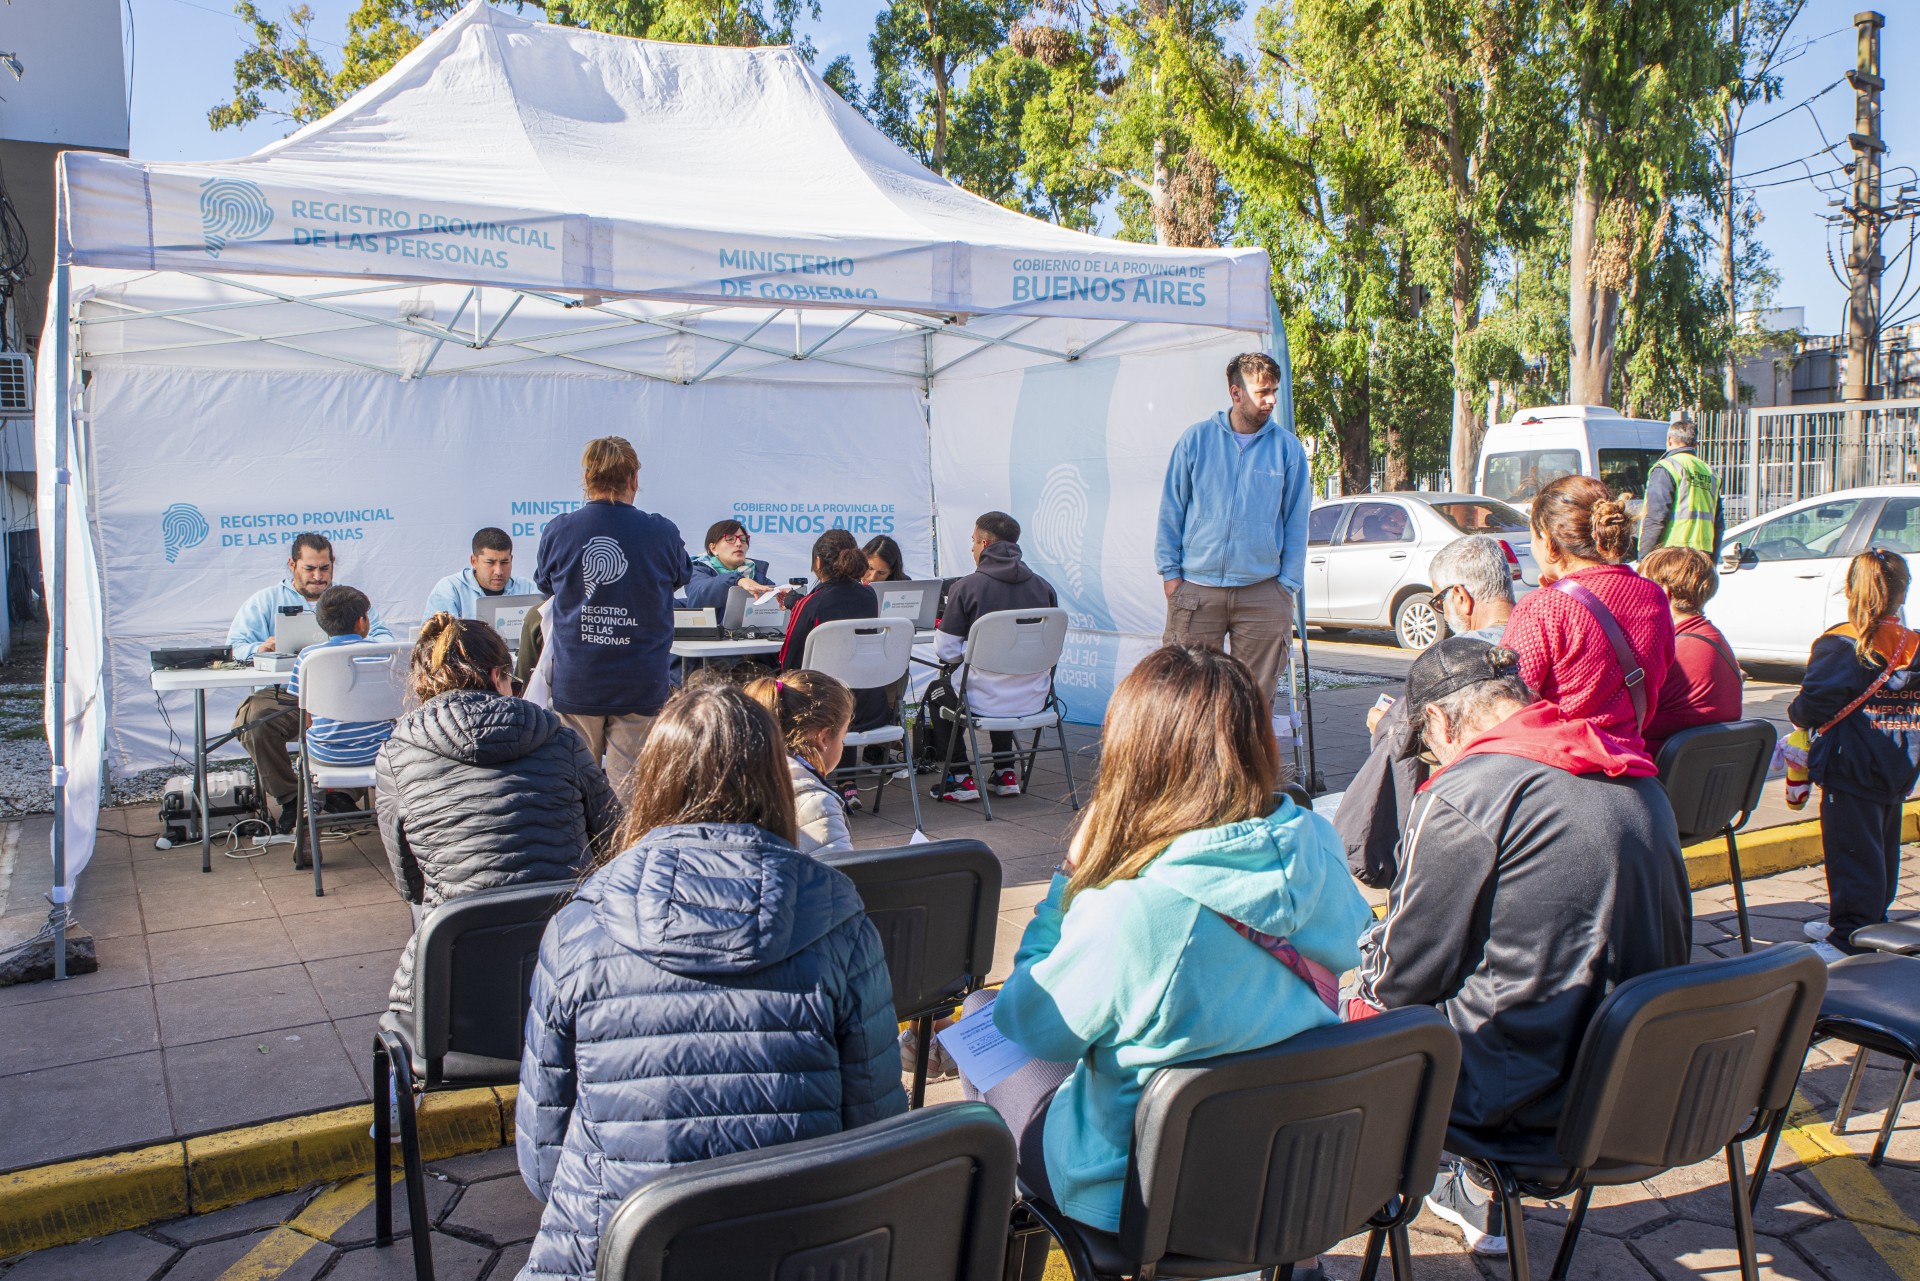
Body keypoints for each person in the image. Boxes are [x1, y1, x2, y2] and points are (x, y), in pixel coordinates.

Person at [966, 645, 1368, 1251]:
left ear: (1135, 753)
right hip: (1289, 1167)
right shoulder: (1314, 838)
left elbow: (1030, 1026)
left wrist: (1063, 889)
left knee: (982, 1023)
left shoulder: (1131, 911)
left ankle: (1005, 1245)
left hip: (1137, 1194)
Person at [516, 682, 906, 1281]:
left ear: (655, 778)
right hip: (801, 1248)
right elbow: (876, 1129)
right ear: (776, 777)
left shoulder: (579, 927)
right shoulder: (840, 919)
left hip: (616, 1250)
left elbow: (543, 1160)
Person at [1354, 637, 1690, 1257]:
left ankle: (1435, 1186)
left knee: (1366, 1013)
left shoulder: (1462, 794)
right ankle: (1480, 1187)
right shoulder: (1629, 767)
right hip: (1645, 1087)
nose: (1432, 760)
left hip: (1524, 1109)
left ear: (1438, 720)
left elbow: (1403, 975)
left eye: (1427, 747)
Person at [374, 614, 619, 1016]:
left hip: (456, 989)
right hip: (571, 974)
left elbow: (409, 883)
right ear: (497, 676)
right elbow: (613, 840)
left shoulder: (396, 756)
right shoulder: (561, 738)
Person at [1335, 535, 1517, 887]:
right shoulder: (1544, 636)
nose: (1441, 611)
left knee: (1396, 734)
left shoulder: (1449, 661)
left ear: (1461, 598)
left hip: (1470, 801)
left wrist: (1383, 728)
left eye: (1439, 600)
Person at [1155, 351, 1311, 715]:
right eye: (1262, 392)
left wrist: (1286, 585)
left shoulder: (1288, 449)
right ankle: (1190, 772)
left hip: (1263, 593)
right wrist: (1171, 575)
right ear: (1236, 393)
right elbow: (1171, 510)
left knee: (1254, 701)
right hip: (1196, 589)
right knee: (1187, 695)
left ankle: (1245, 773)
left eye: (1274, 390)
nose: (1271, 400)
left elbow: (1297, 520)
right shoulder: (1196, 440)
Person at [533, 436, 690, 790]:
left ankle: (583, 846)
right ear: (634, 479)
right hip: (641, 682)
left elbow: (546, 583)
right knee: (632, 795)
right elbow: (682, 576)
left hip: (578, 680)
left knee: (577, 789)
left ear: (587, 479)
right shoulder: (661, 532)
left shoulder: (560, 530)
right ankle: (628, 847)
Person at [1789, 549, 1920, 960]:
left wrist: (1796, 717)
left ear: (1849, 589)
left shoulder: (1841, 643)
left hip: (1851, 764)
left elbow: (1813, 703)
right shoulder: (1913, 643)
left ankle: (1848, 937)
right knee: (1881, 847)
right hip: (1899, 762)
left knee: (1851, 852)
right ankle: (1869, 921)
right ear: (1904, 592)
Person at [228, 534, 395, 834]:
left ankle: (340, 795)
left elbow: (385, 638)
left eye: (324, 568)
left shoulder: (349, 600)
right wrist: (261, 648)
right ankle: (293, 798)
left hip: (345, 694)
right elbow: (236, 646)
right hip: (286, 697)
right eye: (309, 569)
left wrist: (356, 644)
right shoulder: (265, 601)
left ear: (333, 565)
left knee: (367, 720)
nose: (318, 577)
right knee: (252, 721)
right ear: (292, 565)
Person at [1500, 475, 1674, 755]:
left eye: (1533, 536)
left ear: (1549, 542)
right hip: (1631, 764)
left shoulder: (1544, 607)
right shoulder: (1652, 595)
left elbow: (1508, 703)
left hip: (1561, 771)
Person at [922, 512, 1059, 803]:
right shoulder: (1044, 587)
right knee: (1001, 677)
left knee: (937, 691)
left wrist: (975, 653)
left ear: (984, 543)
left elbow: (945, 651)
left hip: (983, 699)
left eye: (973, 542)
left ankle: (960, 778)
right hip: (1034, 698)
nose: (971, 548)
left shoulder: (967, 587)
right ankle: (1006, 772)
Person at [777, 529, 888, 808]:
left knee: (793, 686)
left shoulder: (811, 603)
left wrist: (796, 605)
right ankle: (847, 782)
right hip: (868, 709)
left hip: (820, 714)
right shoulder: (869, 597)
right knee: (844, 682)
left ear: (817, 563)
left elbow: (787, 661)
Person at [1639, 546, 1743, 758]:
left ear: (1662, 593)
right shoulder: (1712, 639)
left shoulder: (1677, 652)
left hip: (1656, 773)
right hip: (1698, 770)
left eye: (1640, 588)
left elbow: (1621, 720)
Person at [745, 670, 855, 856]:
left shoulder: (741, 777)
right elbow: (842, 879)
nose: (842, 746)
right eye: (842, 738)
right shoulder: (817, 804)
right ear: (824, 737)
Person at [286, 585, 396, 770]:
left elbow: (306, 716)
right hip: (378, 752)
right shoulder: (383, 653)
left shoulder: (308, 656)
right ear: (361, 622)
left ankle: (316, 798)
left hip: (325, 753)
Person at [1637, 410, 1724, 555]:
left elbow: (1656, 517)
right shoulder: (1709, 472)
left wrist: (1644, 557)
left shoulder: (1667, 468)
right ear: (1695, 445)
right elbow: (1719, 525)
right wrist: (1712, 561)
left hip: (1672, 553)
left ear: (1669, 440)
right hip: (1702, 554)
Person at [422, 527, 538, 619]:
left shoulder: (528, 590)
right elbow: (438, 641)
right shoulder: (450, 589)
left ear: (511, 559)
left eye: (504, 562)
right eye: (490, 562)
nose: (498, 571)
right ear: (474, 561)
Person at [683, 518, 779, 611]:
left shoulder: (756, 575)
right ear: (713, 548)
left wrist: (784, 596)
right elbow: (700, 596)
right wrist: (737, 581)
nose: (738, 544)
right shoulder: (696, 570)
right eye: (730, 539)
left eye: (743, 539)